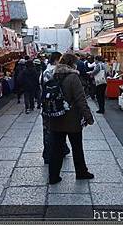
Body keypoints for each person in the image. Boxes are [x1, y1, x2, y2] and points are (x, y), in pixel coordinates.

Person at [48, 53, 95, 185]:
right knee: (77, 147)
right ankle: (81, 172)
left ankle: (53, 176)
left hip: (56, 117)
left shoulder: (54, 74)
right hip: (71, 119)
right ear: (72, 64)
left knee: (56, 149)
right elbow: (81, 99)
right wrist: (88, 117)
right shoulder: (73, 77)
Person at [40, 52, 70, 164]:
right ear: (57, 59)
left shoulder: (44, 72)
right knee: (55, 130)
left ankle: (52, 152)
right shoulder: (54, 72)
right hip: (56, 106)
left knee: (47, 130)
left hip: (46, 106)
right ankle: (51, 153)